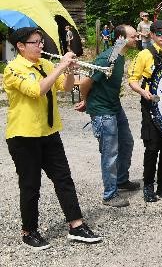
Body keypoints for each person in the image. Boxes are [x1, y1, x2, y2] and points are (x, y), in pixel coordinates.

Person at [3, 27, 102, 249]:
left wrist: (68, 72)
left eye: (41, 42)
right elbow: (36, 90)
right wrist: (60, 67)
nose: (41, 46)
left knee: (64, 179)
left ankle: (76, 225)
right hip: (24, 136)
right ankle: (29, 231)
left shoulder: (45, 65)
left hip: (49, 132)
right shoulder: (13, 69)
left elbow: (64, 88)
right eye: (35, 43)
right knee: (31, 185)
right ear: (20, 46)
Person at [76, 24, 140, 207]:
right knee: (110, 153)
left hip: (114, 106)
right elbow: (84, 84)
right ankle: (109, 195)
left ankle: (121, 180)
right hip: (103, 110)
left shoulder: (118, 54)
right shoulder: (107, 59)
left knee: (127, 142)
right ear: (121, 39)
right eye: (133, 36)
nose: (137, 39)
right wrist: (86, 101)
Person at [127, 19, 162, 203]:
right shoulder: (144, 55)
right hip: (152, 105)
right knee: (152, 147)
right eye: (158, 34)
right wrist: (144, 92)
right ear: (151, 35)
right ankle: (148, 185)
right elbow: (133, 80)